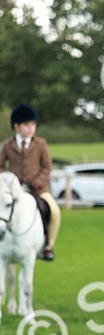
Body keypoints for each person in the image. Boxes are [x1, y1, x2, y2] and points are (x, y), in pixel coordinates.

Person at [0, 104, 61, 260]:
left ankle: (48, 246)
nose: (31, 128)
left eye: (33, 124)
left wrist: (37, 181)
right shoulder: (7, 146)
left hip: (38, 189)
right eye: (27, 125)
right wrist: (7, 182)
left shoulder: (40, 144)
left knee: (54, 211)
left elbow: (47, 166)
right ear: (16, 126)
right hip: (14, 190)